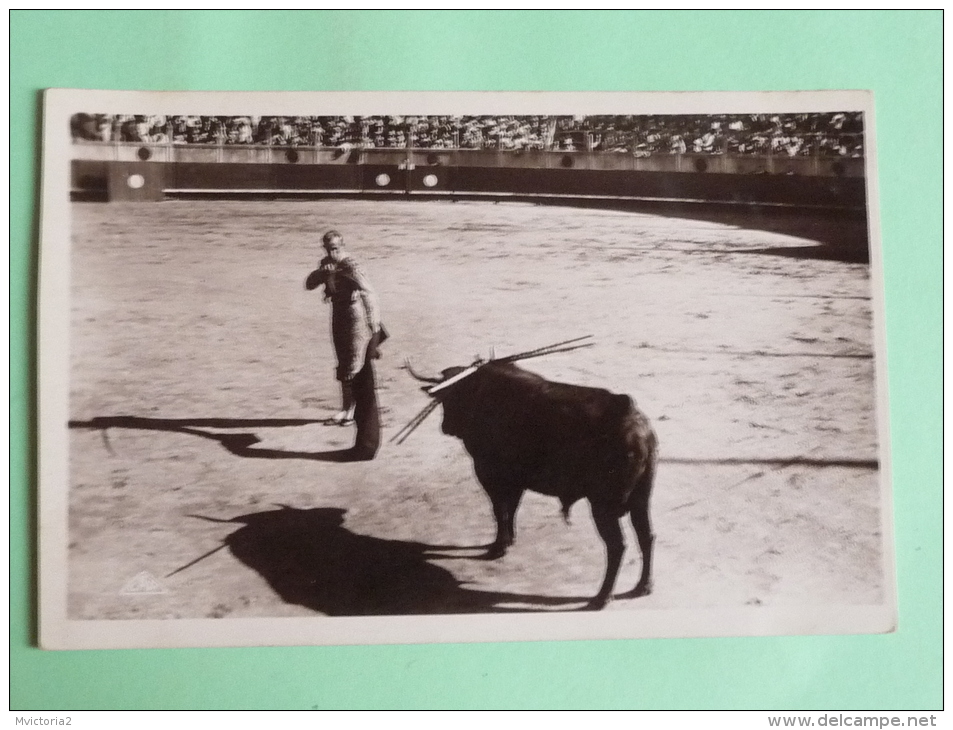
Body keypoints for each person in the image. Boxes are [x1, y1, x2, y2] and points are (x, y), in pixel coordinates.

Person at [306, 230, 386, 460]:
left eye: (336, 247)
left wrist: (374, 325)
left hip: (354, 317)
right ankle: (346, 409)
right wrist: (322, 273)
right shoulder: (327, 264)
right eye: (328, 248)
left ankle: (352, 412)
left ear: (342, 245)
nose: (332, 252)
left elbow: (369, 293)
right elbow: (309, 284)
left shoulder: (351, 265)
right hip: (338, 315)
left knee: (353, 364)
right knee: (342, 362)